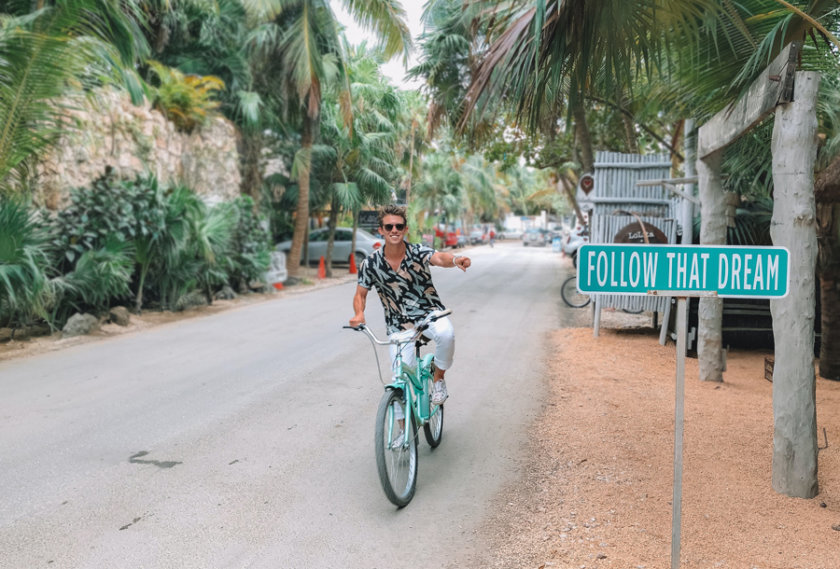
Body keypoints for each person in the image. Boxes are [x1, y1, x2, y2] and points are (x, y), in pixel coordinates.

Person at [349, 204, 471, 406]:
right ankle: (400, 435)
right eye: (389, 227)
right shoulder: (370, 264)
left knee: (446, 334)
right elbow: (360, 294)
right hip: (398, 324)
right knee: (400, 381)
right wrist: (358, 314)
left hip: (429, 313)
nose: (394, 230)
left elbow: (440, 257)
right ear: (381, 230)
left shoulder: (417, 252)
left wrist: (456, 259)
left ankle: (438, 378)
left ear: (406, 229)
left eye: (399, 226)